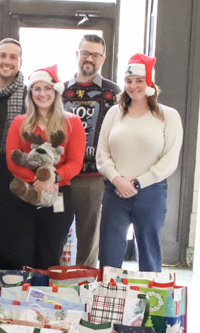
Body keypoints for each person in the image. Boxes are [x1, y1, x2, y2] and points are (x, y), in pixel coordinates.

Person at [97, 54, 183, 272]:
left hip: (150, 192)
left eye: (139, 80)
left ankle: (151, 298)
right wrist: (118, 181)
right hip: (115, 192)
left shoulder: (168, 116)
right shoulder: (114, 113)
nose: (133, 86)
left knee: (149, 252)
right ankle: (109, 298)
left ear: (149, 83)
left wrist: (137, 183)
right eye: (128, 81)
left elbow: (169, 160)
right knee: (109, 253)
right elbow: (102, 156)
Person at [0, 65, 86, 270]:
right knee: (21, 253)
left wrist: (53, 178)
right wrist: (36, 182)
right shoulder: (20, 123)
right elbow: (13, 161)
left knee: (50, 253)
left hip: (58, 194)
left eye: (47, 88)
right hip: (24, 195)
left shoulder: (72, 123)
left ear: (56, 91)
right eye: (37, 89)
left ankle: (45, 298)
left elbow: (75, 162)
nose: (42, 94)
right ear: (30, 93)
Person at [63, 34, 121, 268]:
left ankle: (84, 279)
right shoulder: (60, 90)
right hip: (63, 176)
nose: (89, 59)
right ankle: (55, 279)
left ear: (102, 59)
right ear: (77, 54)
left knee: (89, 235)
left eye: (95, 55)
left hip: (94, 177)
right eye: (85, 53)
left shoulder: (114, 93)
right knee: (58, 233)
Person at [0, 39, 27, 268]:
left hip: (12, 175)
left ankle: (3, 290)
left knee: (8, 240)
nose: (7, 61)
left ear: (20, 62)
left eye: (13, 57)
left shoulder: (28, 95)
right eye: (3, 55)